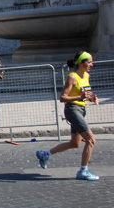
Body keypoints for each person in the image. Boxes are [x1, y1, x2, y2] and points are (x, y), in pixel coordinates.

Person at [36, 51, 100, 181]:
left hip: (81, 109)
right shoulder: (72, 77)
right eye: (89, 62)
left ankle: (45, 154)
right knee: (91, 140)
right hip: (72, 110)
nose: (91, 65)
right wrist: (79, 97)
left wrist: (92, 98)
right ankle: (83, 171)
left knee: (75, 143)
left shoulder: (86, 75)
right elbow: (63, 98)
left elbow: (85, 93)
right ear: (80, 63)